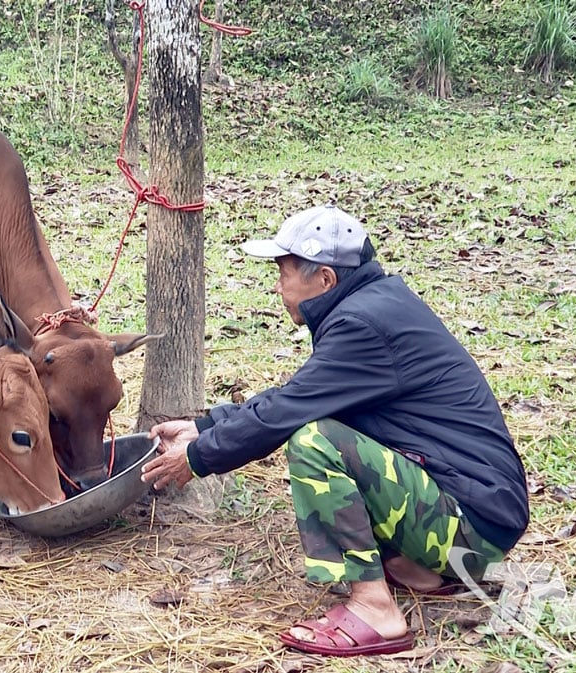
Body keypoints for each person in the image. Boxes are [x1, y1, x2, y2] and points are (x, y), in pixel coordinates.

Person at [141, 204, 529, 657]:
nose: (277, 285)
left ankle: (374, 610)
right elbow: (300, 394)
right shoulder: (374, 307)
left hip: (473, 528)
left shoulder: (362, 325)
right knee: (320, 422)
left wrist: (197, 457)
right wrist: (204, 426)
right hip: (475, 517)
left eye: (284, 273)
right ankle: (417, 569)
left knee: (315, 441)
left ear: (324, 279)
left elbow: (290, 410)